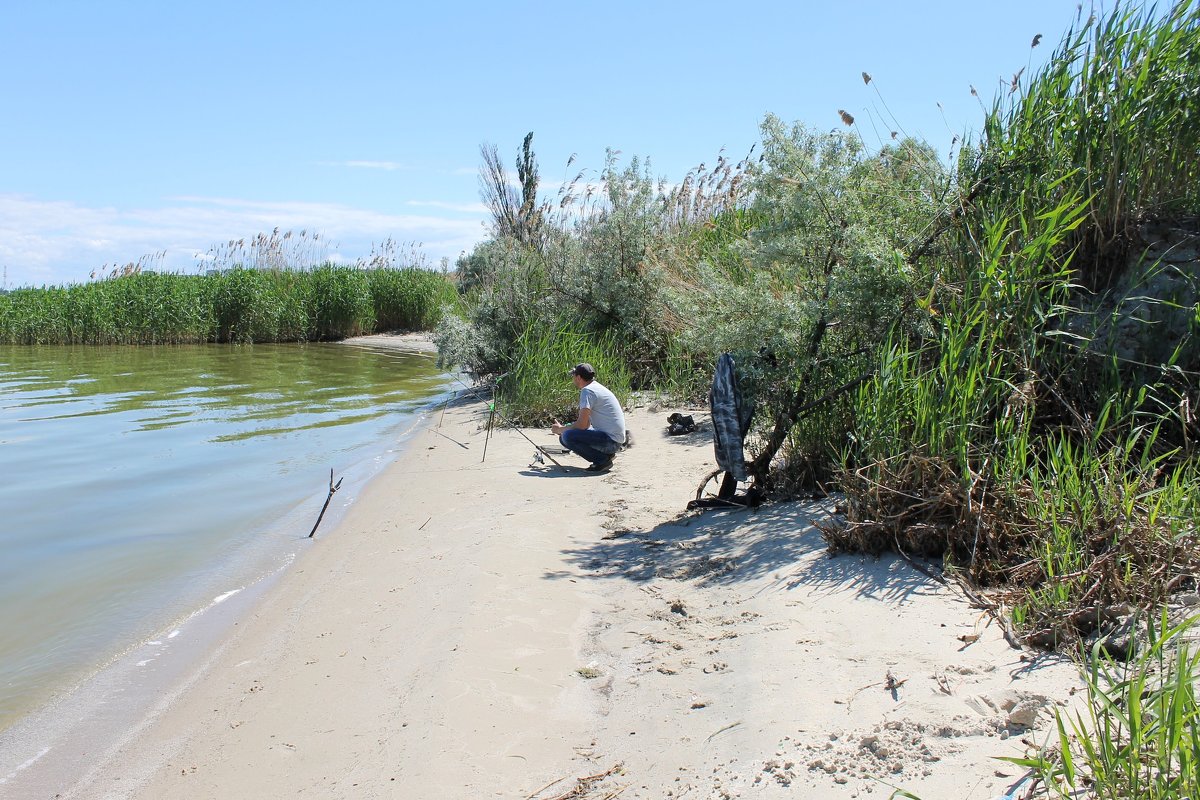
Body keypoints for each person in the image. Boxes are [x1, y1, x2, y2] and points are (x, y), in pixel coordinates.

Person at [550, 363, 627, 472]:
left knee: (567, 436)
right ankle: (606, 456)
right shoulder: (596, 388)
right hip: (615, 440)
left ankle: (602, 460)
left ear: (578, 377)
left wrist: (560, 429)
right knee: (564, 436)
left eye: (574, 375)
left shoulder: (587, 391)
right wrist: (563, 429)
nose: (573, 378)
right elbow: (586, 425)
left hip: (611, 441)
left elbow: (581, 425)